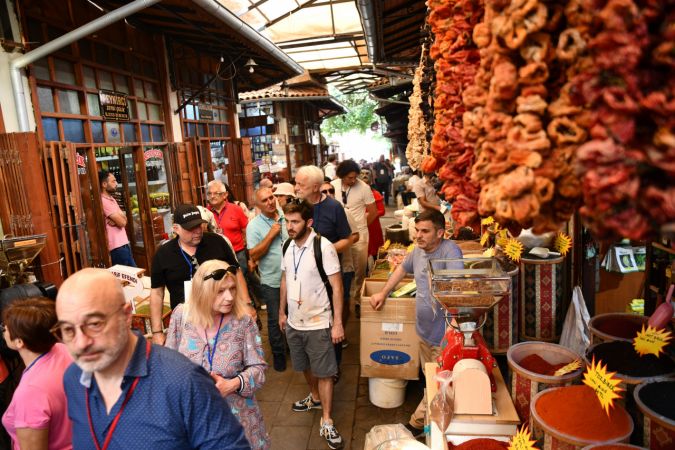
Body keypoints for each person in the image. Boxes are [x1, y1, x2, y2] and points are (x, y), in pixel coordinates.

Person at [55, 268, 250, 449]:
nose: (81, 343)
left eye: (94, 324)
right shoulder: (73, 379)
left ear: (126, 315)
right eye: (68, 330)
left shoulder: (184, 382)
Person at [369, 210, 463, 437]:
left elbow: (457, 292)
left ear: (440, 233)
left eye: (425, 231)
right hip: (423, 331)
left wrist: (453, 327)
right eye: (417, 230)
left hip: (443, 336)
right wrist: (383, 292)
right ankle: (432, 418)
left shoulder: (451, 253)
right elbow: (402, 268)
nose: (418, 235)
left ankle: (417, 424)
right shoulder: (418, 251)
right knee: (429, 377)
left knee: (438, 383)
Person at [165, 261, 269, 449]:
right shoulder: (181, 315)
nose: (229, 297)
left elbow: (259, 370)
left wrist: (232, 384)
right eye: (220, 291)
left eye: (232, 289)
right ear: (202, 291)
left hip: (237, 419)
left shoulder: (243, 322)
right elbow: (168, 364)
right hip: (193, 419)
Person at [278, 199, 344, 450]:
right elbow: (285, 279)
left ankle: (327, 419)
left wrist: (337, 323)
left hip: (319, 321)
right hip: (295, 321)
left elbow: (337, 287)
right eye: (287, 221)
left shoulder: (323, 247)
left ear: (309, 222)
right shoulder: (287, 245)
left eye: (295, 222)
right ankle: (314, 398)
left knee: (325, 372)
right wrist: (281, 311)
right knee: (304, 365)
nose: (290, 226)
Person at [149, 204, 251, 345]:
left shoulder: (217, 242)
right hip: (187, 323)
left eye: (199, 225)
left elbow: (237, 272)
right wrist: (157, 332)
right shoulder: (163, 254)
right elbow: (157, 293)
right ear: (176, 229)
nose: (197, 231)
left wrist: (246, 304)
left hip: (223, 317)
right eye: (190, 228)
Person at [1, 298, 72, 450]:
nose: (4, 331)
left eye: (5, 328)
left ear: (19, 342)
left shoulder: (31, 393)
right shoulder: (64, 350)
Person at [247, 187, 289, 371]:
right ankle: (279, 354)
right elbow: (254, 254)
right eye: (264, 200)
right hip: (272, 279)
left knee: (294, 314)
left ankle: (294, 349)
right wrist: (270, 235)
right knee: (274, 318)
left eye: (271, 197)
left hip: (295, 276)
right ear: (257, 205)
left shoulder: (287, 215)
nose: (270, 202)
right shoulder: (254, 226)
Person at [331, 160, 377, 315]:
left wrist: (360, 227)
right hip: (340, 236)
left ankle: (358, 300)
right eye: (349, 178)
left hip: (360, 235)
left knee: (360, 270)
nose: (353, 180)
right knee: (342, 269)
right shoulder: (333, 186)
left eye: (355, 177)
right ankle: (341, 301)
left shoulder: (364, 188)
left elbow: (373, 211)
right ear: (341, 176)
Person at [295, 166, 351, 254]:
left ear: (315, 188)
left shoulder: (334, 206)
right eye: (296, 183)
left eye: (301, 184)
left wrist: (321, 252)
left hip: (327, 263)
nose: (296, 188)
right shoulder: (296, 205)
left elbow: (347, 240)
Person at [206, 180, 250, 273]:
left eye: (216, 193)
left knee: (242, 280)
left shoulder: (236, 209)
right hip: (217, 255)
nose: (212, 196)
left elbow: (246, 231)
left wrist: (250, 257)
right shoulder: (206, 212)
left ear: (225, 195)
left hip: (238, 253)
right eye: (209, 193)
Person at [99, 170, 136, 267]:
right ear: (104, 184)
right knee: (130, 279)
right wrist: (120, 220)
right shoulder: (103, 201)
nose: (116, 183)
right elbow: (123, 223)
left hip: (124, 245)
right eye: (113, 181)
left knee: (133, 278)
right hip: (117, 248)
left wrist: (118, 220)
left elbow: (125, 219)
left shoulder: (112, 199)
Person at [358, 171, 385, 263]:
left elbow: (382, 211)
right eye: (362, 174)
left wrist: (371, 214)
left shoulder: (375, 194)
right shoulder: (355, 194)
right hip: (360, 225)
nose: (365, 175)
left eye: (367, 173)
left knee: (376, 251)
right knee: (362, 251)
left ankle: (377, 270)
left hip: (373, 226)